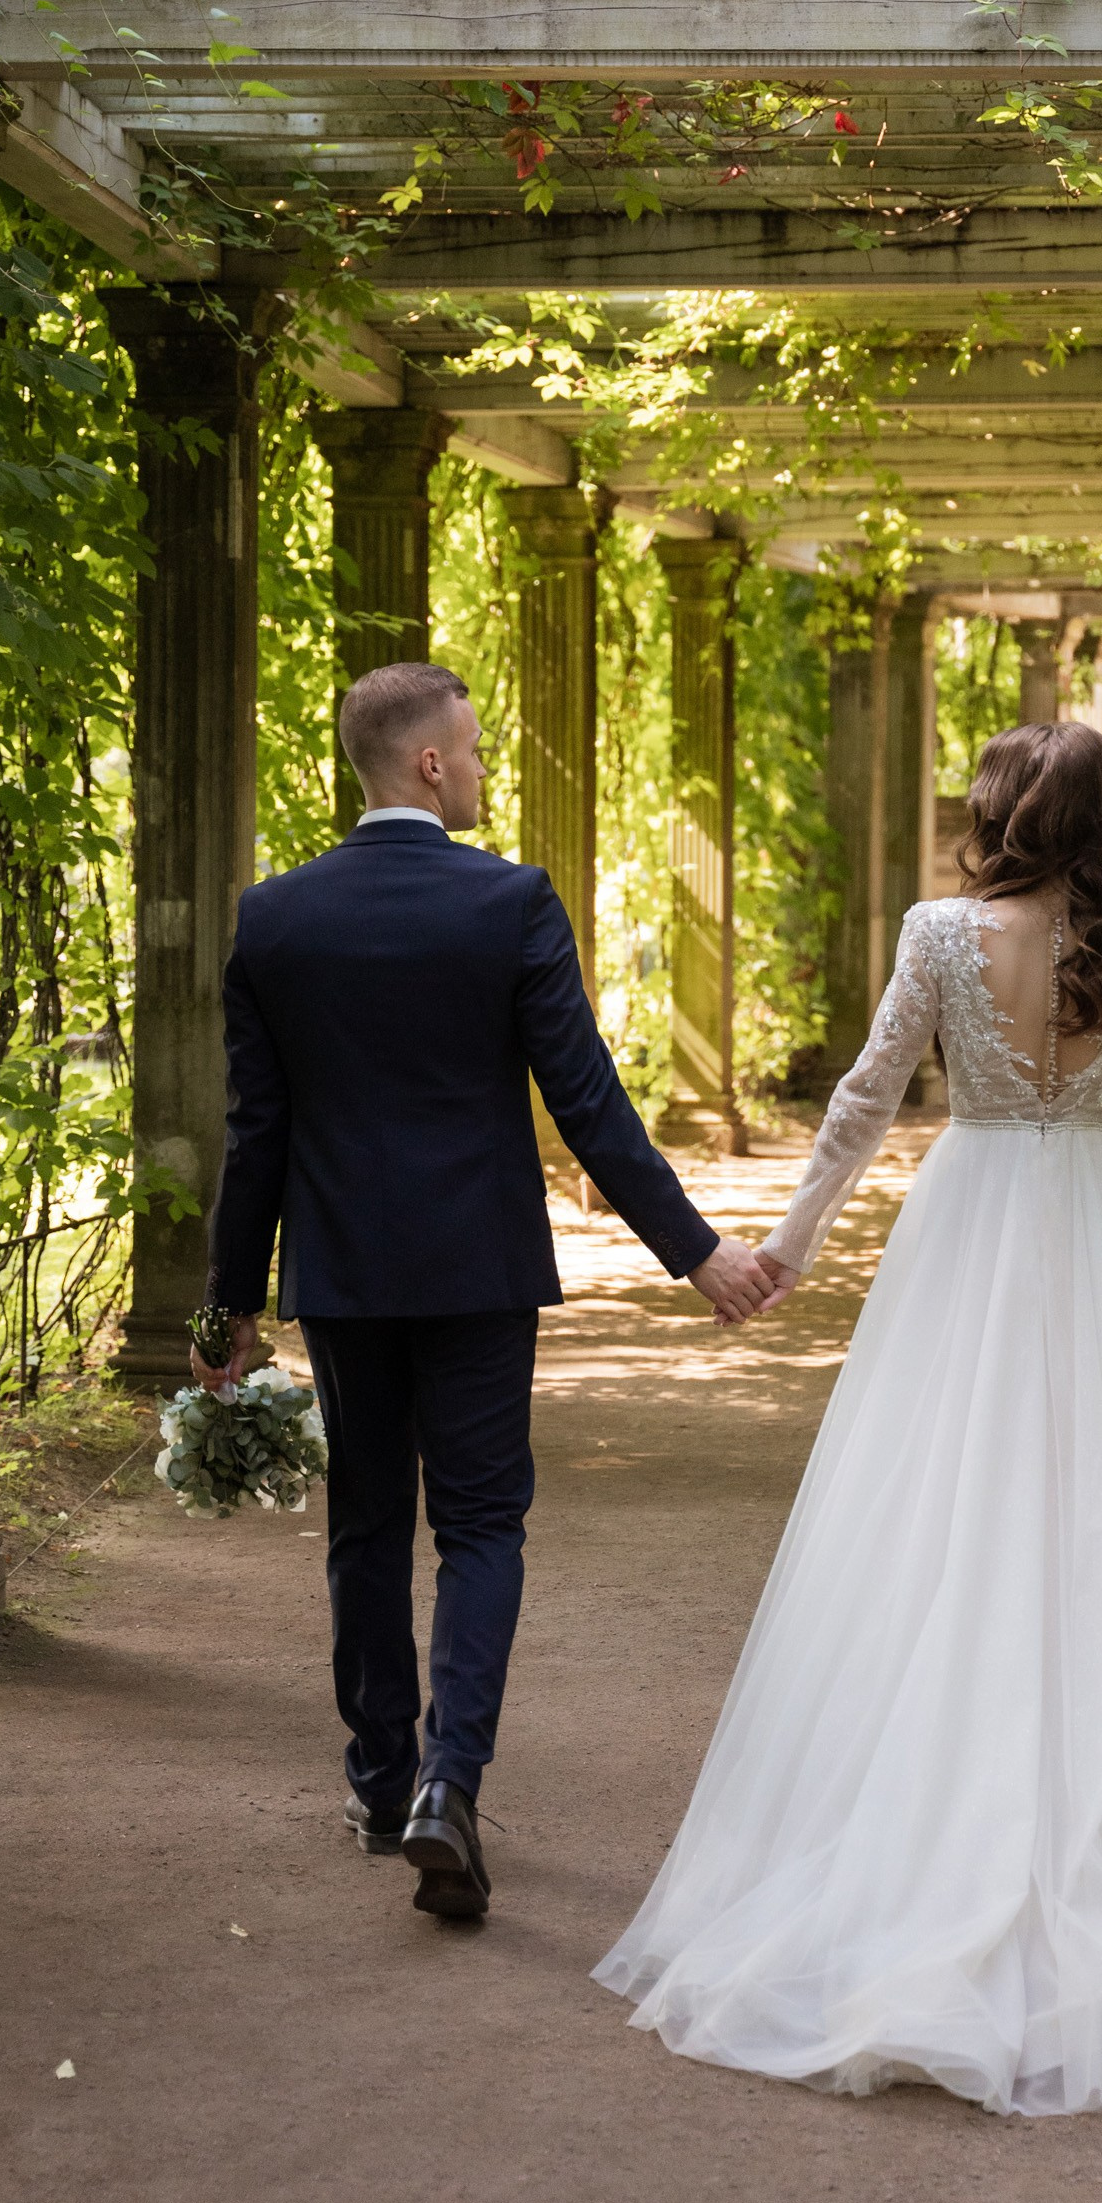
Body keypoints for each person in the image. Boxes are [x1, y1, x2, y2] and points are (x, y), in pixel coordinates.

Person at [596, 721, 1102, 2116]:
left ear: (998, 816)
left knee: (942, 1504)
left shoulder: (939, 937)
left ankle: (932, 1806)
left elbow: (866, 1104)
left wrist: (791, 1250)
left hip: (968, 1230)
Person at [199, 659, 771, 1923]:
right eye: (472, 744)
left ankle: (377, 1776)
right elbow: (588, 1103)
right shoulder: (507, 902)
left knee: (363, 1523)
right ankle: (448, 1786)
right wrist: (699, 1252)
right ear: (428, 765)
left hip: (345, 1273)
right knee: (480, 1525)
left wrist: (222, 1306)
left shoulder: (274, 918)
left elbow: (256, 1133)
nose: (482, 765)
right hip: (475, 1271)